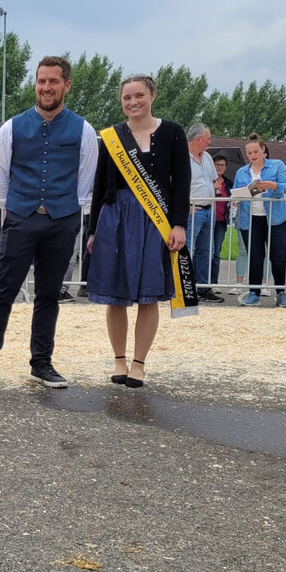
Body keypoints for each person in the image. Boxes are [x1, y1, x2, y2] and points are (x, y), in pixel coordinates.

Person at [0, 56, 97, 389]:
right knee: (4, 291)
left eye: (53, 81)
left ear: (66, 85)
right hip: (21, 218)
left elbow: (85, 179)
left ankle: (41, 363)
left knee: (49, 295)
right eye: (42, 81)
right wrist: (11, 209)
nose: (46, 87)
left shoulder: (83, 130)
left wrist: (69, 210)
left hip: (62, 220)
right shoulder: (12, 126)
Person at [85, 74, 190, 388]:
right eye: (126, 97)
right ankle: (119, 359)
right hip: (115, 218)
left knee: (148, 296)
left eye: (138, 96)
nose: (132, 102)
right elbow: (100, 184)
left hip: (154, 221)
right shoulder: (112, 137)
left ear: (152, 95)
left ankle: (139, 362)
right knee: (115, 296)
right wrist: (93, 230)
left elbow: (181, 181)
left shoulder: (172, 132)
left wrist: (179, 224)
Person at [233, 133, 286, 307]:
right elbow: (235, 190)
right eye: (249, 153)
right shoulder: (242, 171)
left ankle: (281, 293)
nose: (252, 155)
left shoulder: (277, 165)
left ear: (263, 150)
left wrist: (274, 186)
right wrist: (235, 197)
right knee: (255, 257)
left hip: (276, 217)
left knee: (278, 257)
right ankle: (253, 293)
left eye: (255, 151)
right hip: (250, 218)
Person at [185, 123, 224, 302]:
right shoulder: (181, 157)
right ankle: (184, 287)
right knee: (188, 250)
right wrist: (185, 205)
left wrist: (213, 190)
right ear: (198, 139)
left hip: (209, 210)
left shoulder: (207, 157)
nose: (210, 142)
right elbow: (172, 185)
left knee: (207, 250)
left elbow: (214, 179)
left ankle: (202, 288)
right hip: (192, 210)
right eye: (208, 139)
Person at [210, 155, 233, 292]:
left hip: (220, 221)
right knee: (203, 251)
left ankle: (213, 282)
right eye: (217, 165)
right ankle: (199, 281)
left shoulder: (228, 183)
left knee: (216, 252)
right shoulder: (207, 181)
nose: (219, 167)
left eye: (222, 165)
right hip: (207, 218)